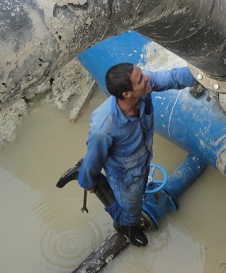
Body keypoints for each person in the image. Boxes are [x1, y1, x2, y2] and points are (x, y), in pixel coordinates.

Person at [77, 63, 196, 247]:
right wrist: (88, 183)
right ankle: (126, 226)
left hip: (143, 158)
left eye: (142, 74)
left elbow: (172, 77)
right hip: (124, 175)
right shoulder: (104, 127)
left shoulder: (143, 87)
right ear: (127, 94)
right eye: (140, 78)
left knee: (137, 193)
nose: (147, 78)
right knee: (131, 211)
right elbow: (94, 157)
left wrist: (204, 75)